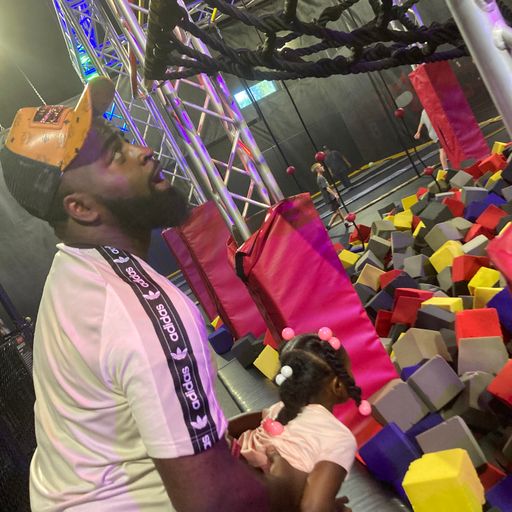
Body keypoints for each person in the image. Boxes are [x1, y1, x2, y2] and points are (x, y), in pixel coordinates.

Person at [0, 77, 342, 511]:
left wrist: (236, 436)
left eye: (125, 141)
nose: (144, 151)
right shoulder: (142, 310)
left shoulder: (72, 273)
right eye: (116, 155)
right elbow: (214, 503)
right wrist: (294, 483)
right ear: (81, 208)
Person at [228, 328, 368, 512]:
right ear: (338, 385)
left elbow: (227, 427)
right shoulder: (340, 438)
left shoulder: (281, 409)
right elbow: (313, 507)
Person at [311, 162, 347, 230]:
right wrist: (335, 194)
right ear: (317, 169)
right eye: (320, 166)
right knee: (336, 212)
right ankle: (328, 226)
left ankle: (345, 223)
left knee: (338, 210)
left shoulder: (320, 177)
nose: (322, 167)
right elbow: (327, 188)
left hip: (329, 197)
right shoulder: (321, 178)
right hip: (330, 197)